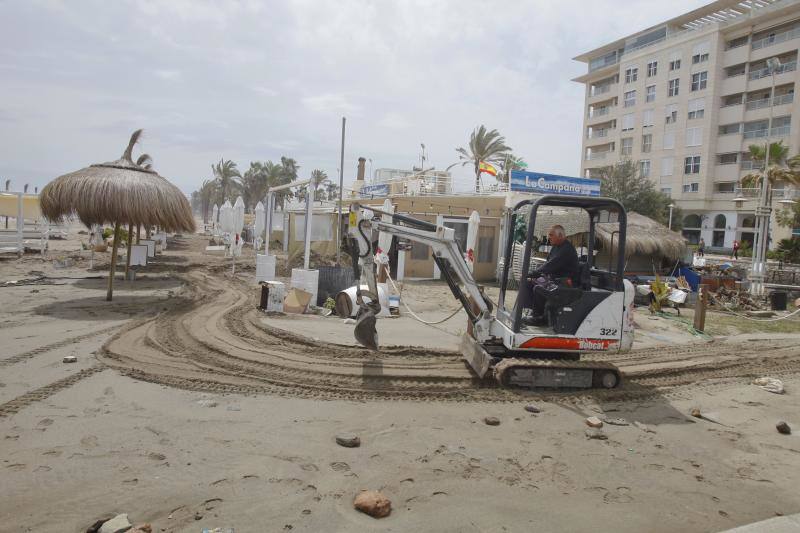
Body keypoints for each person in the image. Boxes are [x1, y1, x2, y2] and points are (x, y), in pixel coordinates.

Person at [519, 225, 579, 325]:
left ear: (560, 235)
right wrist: (532, 276)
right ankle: (532, 311)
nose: (548, 237)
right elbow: (547, 264)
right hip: (554, 280)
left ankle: (540, 317)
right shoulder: (555, 247)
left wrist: (531, 274)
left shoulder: (566, 250)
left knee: (539, 288)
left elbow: (550, 265)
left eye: (551, 235)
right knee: (527, 283)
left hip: (565, 282)